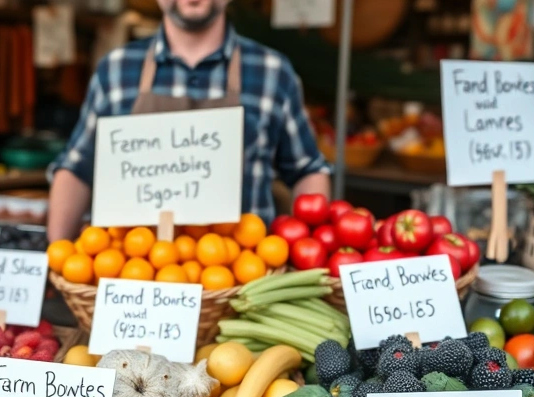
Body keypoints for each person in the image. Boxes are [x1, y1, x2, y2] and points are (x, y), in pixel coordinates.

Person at [46, 0, 331, 241]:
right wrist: (57, 260)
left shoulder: (273, 72)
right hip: (131, 285)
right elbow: (77, 170)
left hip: (245, 284)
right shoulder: (115, 69)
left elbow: (307, 170)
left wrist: (308, 252)